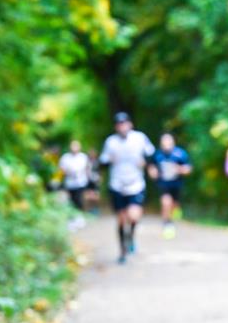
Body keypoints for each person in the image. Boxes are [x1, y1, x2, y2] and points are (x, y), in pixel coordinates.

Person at [99, 112, 156, 264]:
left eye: (124, 123)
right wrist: (108, 161)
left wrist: (148, 165)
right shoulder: (111, 142)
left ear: (130, 124)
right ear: (116, 127)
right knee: (121, 219)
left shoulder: (139, 138)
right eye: (119, 124)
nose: (122, 126)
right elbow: (102, 162)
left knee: (134, 216)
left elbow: (151, 154)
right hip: (117, 184)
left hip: (135, 184)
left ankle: (130, 235)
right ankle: (122, 250)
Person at [149, 132, 192, 240]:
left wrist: (180, 169)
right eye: (164, 141)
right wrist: (153, 172)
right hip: (163, 185)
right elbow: (151, 167)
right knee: (165, 203)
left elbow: (188, 169)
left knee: (174, 206)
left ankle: (174, 213)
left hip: (177, 185)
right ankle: (167, 224)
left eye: (168, 141)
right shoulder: (157, 155)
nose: (166, 143)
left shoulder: (180, 154)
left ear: (173, 142)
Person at [58, 140, 91, 230]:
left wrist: (89, 182)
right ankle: (72, 219)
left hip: (81, 182)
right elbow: (61, 170)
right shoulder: (65, 158)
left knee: (79, 200)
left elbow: (87, 169)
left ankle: (80, 218)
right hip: (70, 183)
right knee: (71, 201)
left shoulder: (83, 157)